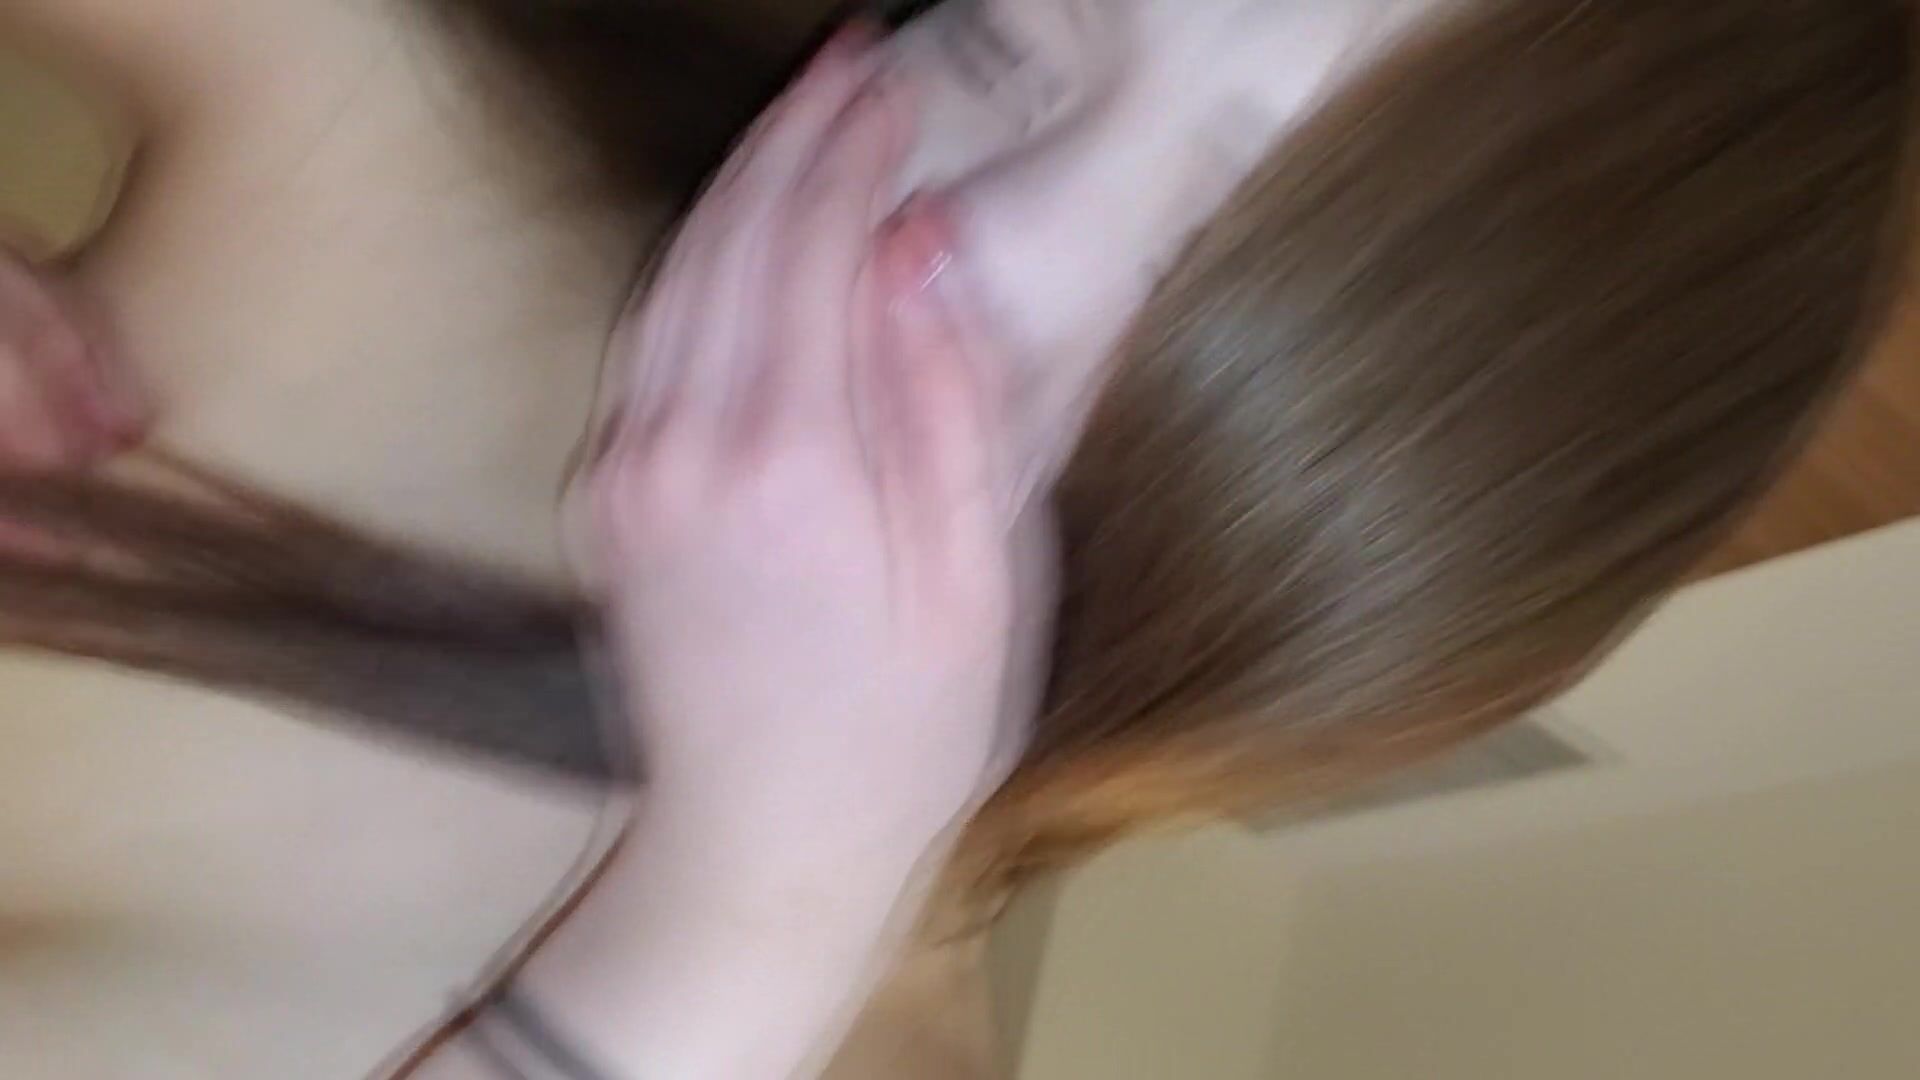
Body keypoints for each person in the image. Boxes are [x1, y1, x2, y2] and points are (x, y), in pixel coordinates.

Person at [0, 0, 1911, 1075]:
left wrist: (720, 939)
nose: (971, 253)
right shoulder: (485, 181)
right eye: (1007, 46)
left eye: (1213, 267)